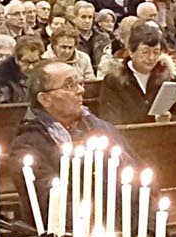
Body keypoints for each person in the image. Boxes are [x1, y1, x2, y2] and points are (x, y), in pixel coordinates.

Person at [10, 61, 130, 214]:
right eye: (69, 85)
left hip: (123, 221)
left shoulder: (101, 129)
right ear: (45, 99)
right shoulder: (28, 145)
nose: (80, 90)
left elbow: (135, 177)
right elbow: (51, 203)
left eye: (79, 83)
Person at [95, 23, 176, 125]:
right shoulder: (114, 80)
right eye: (145, 52)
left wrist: (170, 119)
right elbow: (110, 120)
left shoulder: (166, 76)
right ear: (131, 52)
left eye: (156, 52)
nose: (151, 58)